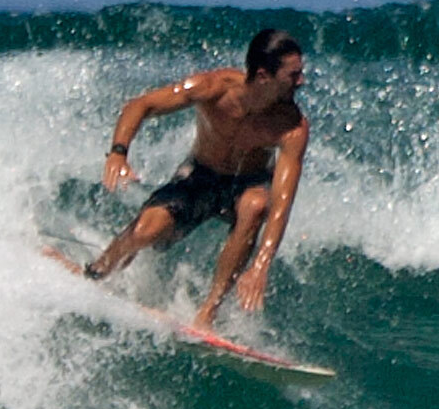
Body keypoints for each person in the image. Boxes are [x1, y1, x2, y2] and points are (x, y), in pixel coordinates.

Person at [83, 29, 309, 331]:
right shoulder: (213, 87)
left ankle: (208, 313)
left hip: (247, 184)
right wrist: (118, 153)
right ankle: (98, 270)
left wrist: (261, 265)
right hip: (200, 175)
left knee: (256, 204)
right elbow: (140, 105)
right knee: (147, 231)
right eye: (293, 75)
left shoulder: (292, 127)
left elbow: (282, 202)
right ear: (263, 76)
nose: (301, 81)